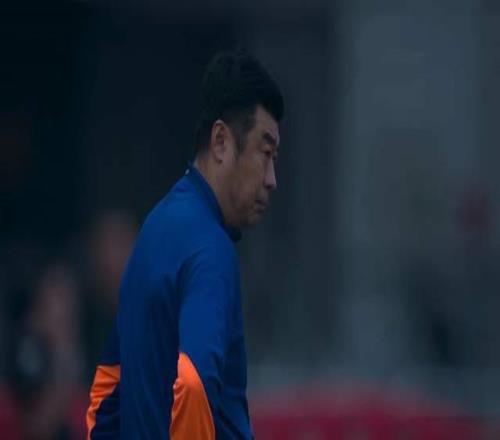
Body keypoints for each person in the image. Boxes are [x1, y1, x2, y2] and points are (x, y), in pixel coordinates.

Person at [86, 49, 284, 439]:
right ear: (221, 141)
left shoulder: (153, 230)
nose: (271, 179)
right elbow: (194, 383)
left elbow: (105, 395)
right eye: (265, 153)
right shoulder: (211, 249)